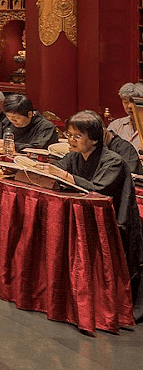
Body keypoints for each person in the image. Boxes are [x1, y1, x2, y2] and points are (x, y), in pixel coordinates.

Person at [51, 111, 143, 322]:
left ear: (94, 138)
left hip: (112, 223)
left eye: (77, 136)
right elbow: (57, 168)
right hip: (83, 217)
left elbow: (99, 191)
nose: (70, 140)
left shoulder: (113, 161)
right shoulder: (74, 155)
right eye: (69, 135)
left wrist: (65, 176)